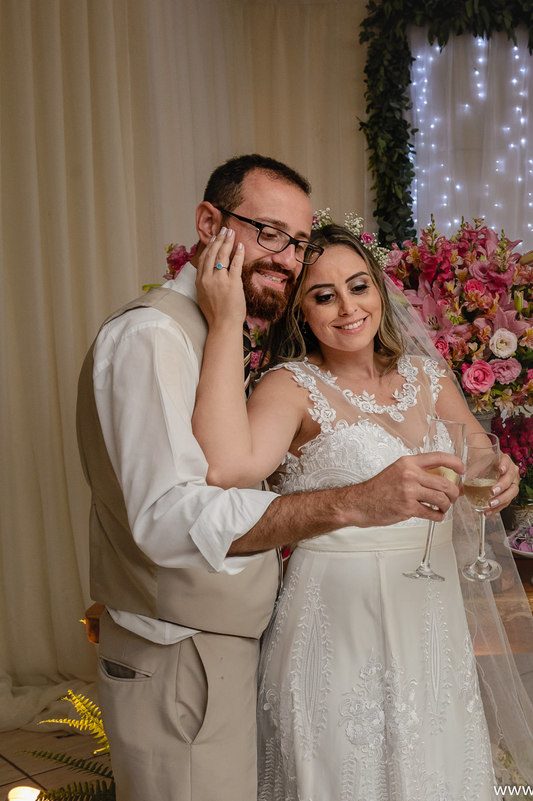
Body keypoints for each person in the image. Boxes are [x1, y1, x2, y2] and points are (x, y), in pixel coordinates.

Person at [76, 155, 465, 801]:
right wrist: (352, 503)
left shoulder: (210, 332)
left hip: (221, 646)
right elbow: (171, 518)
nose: (287, 257)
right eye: (268, 232)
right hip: (179, 651)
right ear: (209, 222)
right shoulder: (153, 337)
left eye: (299, 241)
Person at [191, 220, 533, 799]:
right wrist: (224, 322)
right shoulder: (289, 387)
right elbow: (228, 471)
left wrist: (500, 473)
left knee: (436, 758)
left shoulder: (425, 374)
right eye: (324, 296)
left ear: (380, 289)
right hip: (340, 612)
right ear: (301, 312)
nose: (348, 308)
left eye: (358, 287)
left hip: (430, 601)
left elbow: (474, 449)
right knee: (347, 767)